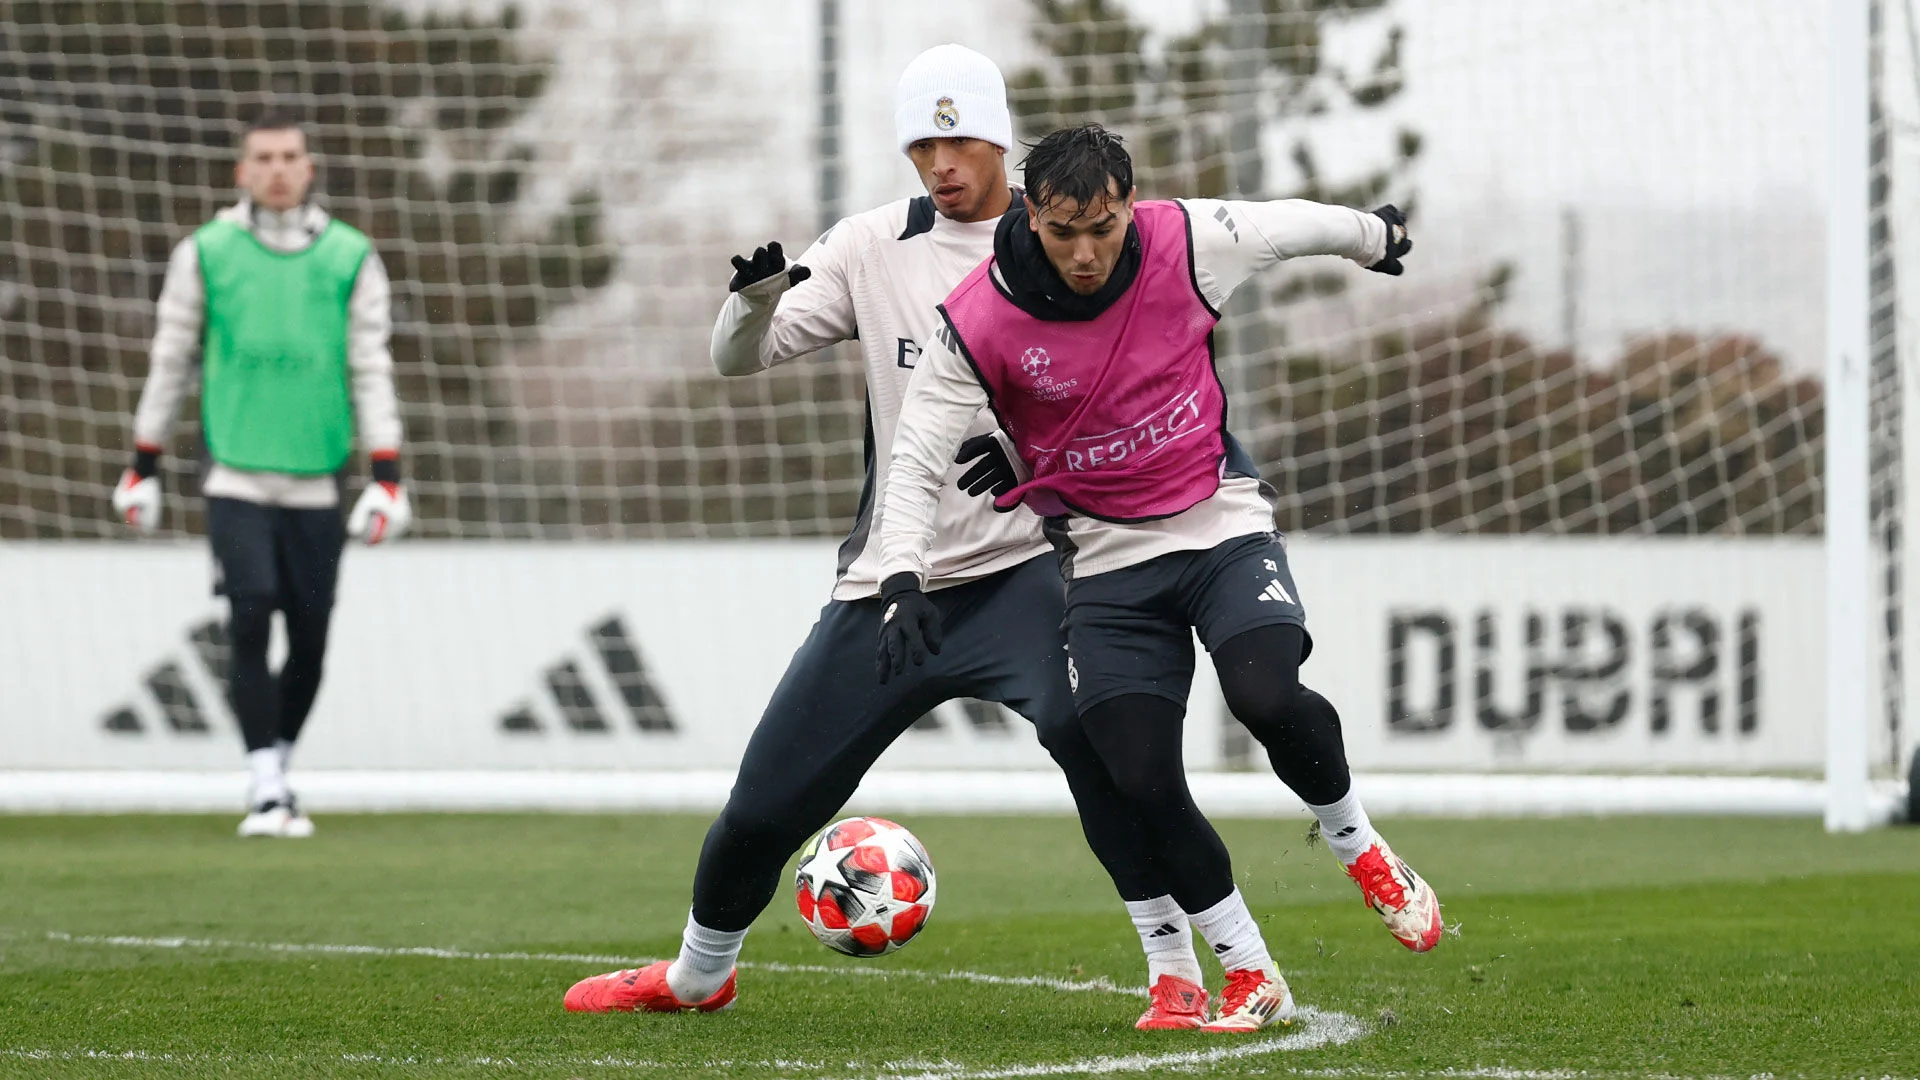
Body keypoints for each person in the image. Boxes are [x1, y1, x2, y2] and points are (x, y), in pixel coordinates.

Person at [563, 46, 1212, 1032]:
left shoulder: (1078, 249)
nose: (940, 161)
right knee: (764, 803)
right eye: (921, 142)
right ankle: (700, 974)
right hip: (889, 587)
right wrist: (752, 301)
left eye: (958, 137)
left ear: (999, 139)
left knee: (1102, 748)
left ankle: (1175, 971)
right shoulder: (873, 246)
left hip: (1028, 572)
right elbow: (741, 360)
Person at [875, 124, 1444, 1034]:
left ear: (1130, 205)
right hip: (1104, 560)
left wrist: (1374, 239)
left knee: (1264, 695)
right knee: (1137, 773)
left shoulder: (1188, 240)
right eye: (1065, 232)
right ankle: (1250, 972)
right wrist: (902, 573)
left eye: (1103, 225)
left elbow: (1290, 225)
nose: (1088, 251)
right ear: (1029, 214)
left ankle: (1358, 843)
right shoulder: (975, 318)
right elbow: (913, 459)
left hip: (1218, 523)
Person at [113, 109, 410, 839]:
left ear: (308, 168)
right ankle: (265, 786)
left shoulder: (350, 256)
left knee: (309, 636)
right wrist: (141, 464)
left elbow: (371, 365)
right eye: (263, 157)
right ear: (242, 171)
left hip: (318, 476)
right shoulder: (206, 252)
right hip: (235, 475)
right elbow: (171, 358)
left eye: (290, 156)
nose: (277, 168)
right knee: (250, 613)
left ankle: (276, 764)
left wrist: (388, 473)